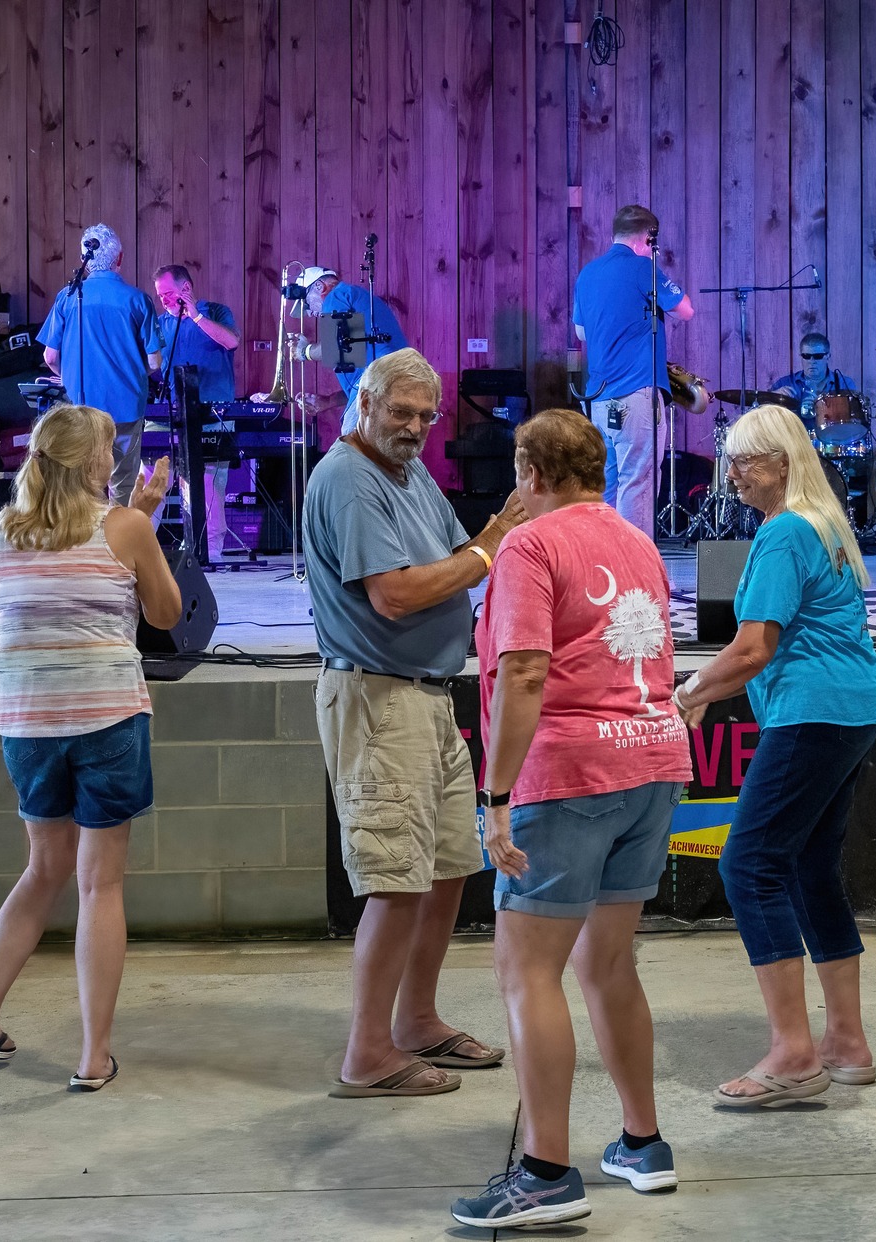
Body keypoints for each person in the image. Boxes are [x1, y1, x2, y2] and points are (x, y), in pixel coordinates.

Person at [448, 409, 693, 1229]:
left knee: (528, 971)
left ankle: (548, 1172)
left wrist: (496, 795)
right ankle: (642, 1143)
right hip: (652, 758)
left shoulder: (528, 544)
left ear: (528, 471)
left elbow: (522, 672)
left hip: (570, 772)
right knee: (608, 965)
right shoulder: (637, 540)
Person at [302, 347, 525, 1098]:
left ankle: (417, 1021)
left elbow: (455, 554)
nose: (417, 427)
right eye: (401, 411)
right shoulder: (350, 479)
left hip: (426, 694)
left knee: (447, 869)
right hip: (378, 698)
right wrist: (491, 548)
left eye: (427, 416)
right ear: (363, 401)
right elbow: (396, 594)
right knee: (397, 882)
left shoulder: (406, 469)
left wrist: (491, 545)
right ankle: (367, 1054)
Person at [0, 405, 179, 1092]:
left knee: (41, 871)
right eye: (110, 448)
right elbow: (165, 615)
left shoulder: (1, 533)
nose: (116, 458)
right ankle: (92, 1055)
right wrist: (144, 520)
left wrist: (133, 517)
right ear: (88, 462)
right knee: (97, 883)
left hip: (26, 722)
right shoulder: (127, 527)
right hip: (105, 716)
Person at [672, 405, 876, 1107]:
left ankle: (795, 1053)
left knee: (748, 864)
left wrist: (689, 691)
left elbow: (754, 648)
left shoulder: (785, 532)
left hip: (812, 713)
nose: (729, 473)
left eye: (744, 460)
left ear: (783, 464)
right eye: (729, 459)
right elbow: (758, 651)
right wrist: (710, 685)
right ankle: (846, 1044)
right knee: (807, 868)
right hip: (850, 712)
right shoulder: (821, 525)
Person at [574, 204, 697, 535]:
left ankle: (605, 561)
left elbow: (581, 333)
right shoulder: (645, 267)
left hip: (598, 399)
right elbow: (685, 310)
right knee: (638, 479)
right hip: (637, 393)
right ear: (647, 238)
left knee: (608, 482)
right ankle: (635, 566)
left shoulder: (588, 273)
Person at [38, 224, 156, 505]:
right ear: (120, 258)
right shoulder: (138, 300)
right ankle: (116, 544)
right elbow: (154, 360)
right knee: (123, 484)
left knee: (83, 482)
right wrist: (134, 375)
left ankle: (84, 544)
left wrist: (70, 379)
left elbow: (50, 357)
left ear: (84, 259)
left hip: (83, 406)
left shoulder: (67, 297)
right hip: (127, 406)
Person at [145, 264, 242, 554]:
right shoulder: (162, 324)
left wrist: (195, 315)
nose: (163, 300)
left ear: (186, 288)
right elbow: (152, 365)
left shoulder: (217, 312)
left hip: (213, 416)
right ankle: (139, 546)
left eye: (168, 293)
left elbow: (231, 340)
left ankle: (210, 551)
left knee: (209, 485)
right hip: (169, 413)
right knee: (150, 480)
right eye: (159, 295)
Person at [297, 266, 410, 432]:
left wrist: (304, 352)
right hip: (397, 385)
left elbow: (333, 345)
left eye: (307, 303)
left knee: (351, 449)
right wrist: (328, 402)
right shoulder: (355, 301)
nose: (309, 313)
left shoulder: (335, 295)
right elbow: (361, 382)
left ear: (319, 287)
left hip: (382, 383)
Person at [771, 332, 861, 430]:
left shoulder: (844, 384)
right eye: (806, 356)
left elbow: (854, 419)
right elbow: (761, 413)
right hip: (794, 442)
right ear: (801, 357)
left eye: (818, 356)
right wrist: (773, 398)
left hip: (833, 441)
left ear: (828, 356)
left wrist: (822, 410)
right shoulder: (785, 383)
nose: (811, 361)